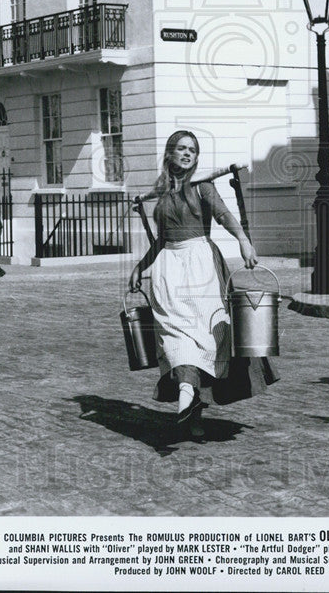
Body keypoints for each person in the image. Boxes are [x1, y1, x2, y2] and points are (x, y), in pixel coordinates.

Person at [128, 131, 277, 438]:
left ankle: (191, 401)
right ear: (170, 154)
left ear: (196, 158)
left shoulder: (203, 187)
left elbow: (225, 216)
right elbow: (161, 241)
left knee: (206, 338)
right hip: (169, 271)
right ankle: (186, 392)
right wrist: (140, 268)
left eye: (192, 151)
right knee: (176, 335)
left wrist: (244, 242)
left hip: (202, 268)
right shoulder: (160, 192)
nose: (187, 154)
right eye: (181, 149)